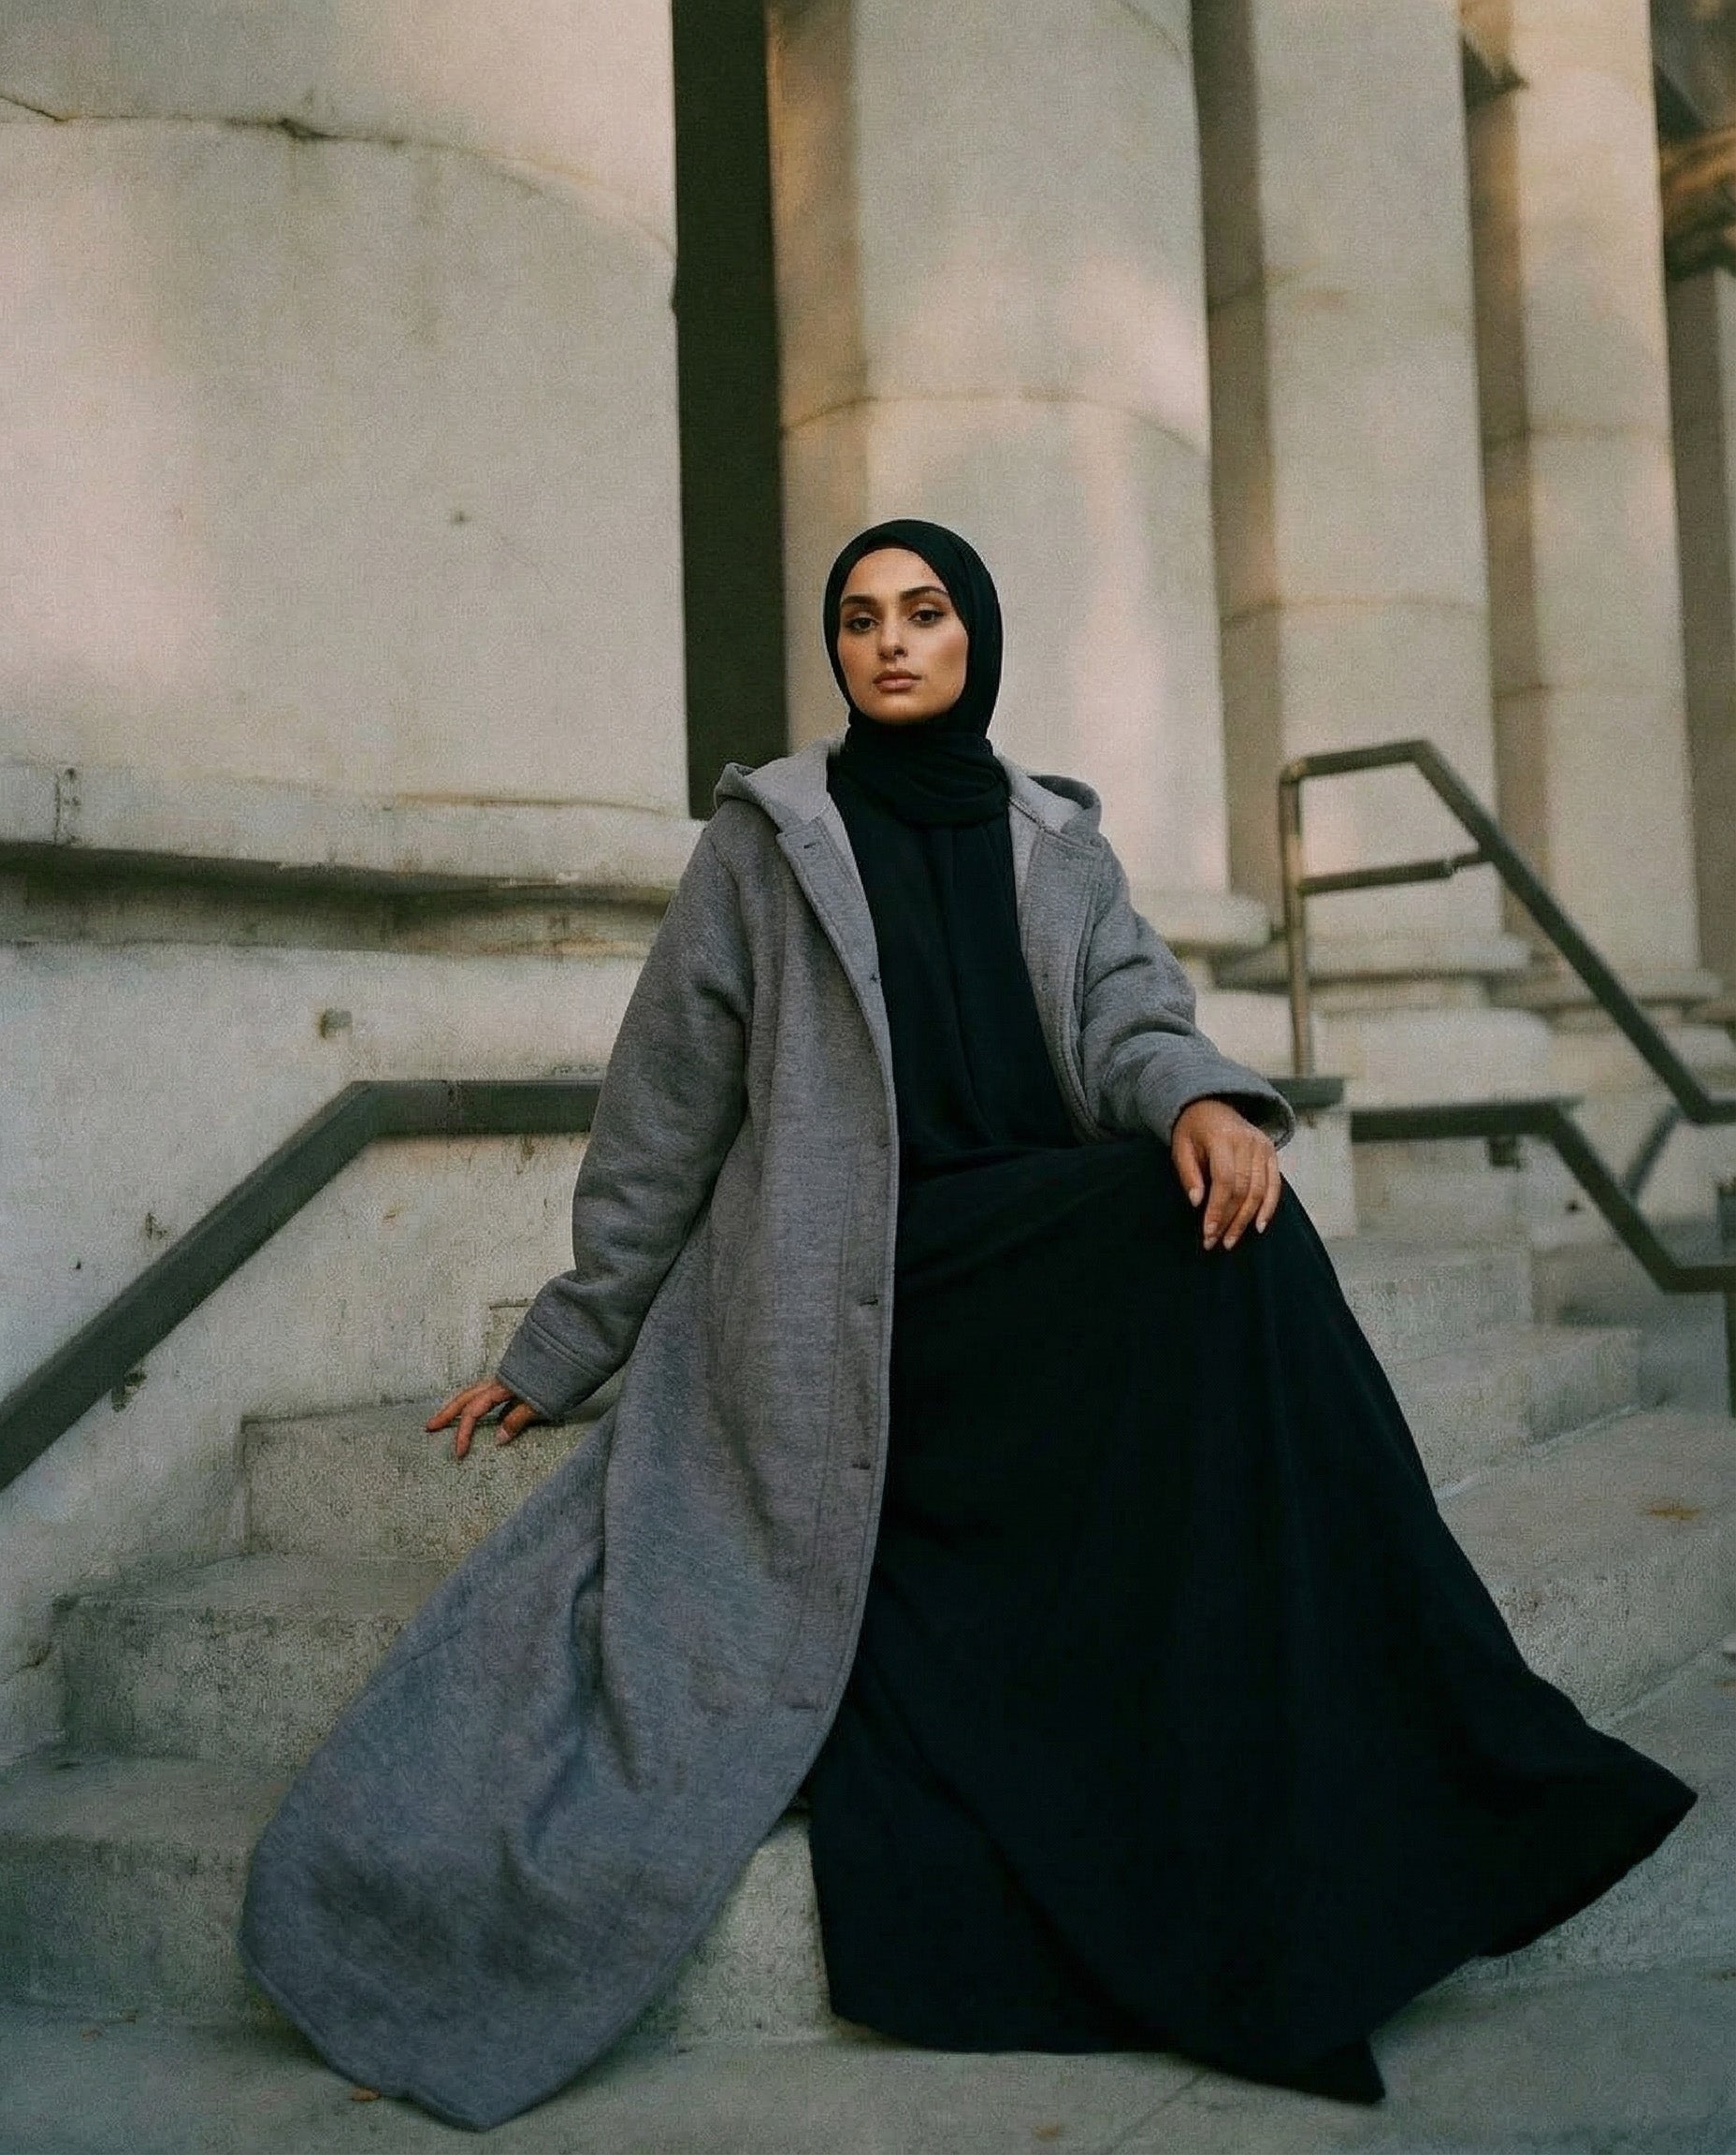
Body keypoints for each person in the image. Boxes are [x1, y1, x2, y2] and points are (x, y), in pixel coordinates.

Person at [240, 519, 1695, 2131]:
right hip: (843, 1283)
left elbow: (1131, 1015)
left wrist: (1202, 1101)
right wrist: (562, 1350)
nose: (890, 641)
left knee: (1244, 1238)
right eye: (860, 617)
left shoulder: (1055, 838)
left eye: (924, 612)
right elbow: (662, 1114)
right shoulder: (764, 846)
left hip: (1019, 1258)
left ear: (975, 636)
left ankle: (1430, 1720)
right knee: (1215, 1269)